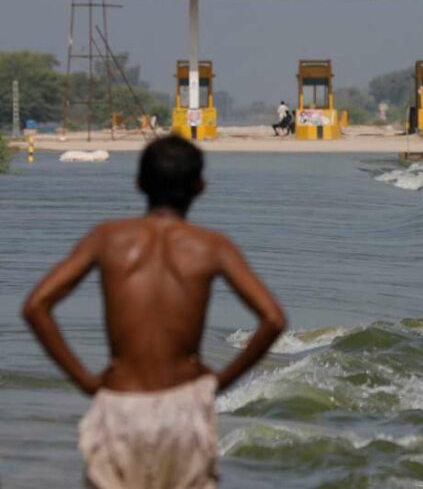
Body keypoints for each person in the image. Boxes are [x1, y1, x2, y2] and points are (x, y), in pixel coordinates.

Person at [22, 135, 286, 489]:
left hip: (120, 402)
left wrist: (84, 380)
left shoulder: (107, 238)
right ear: (200, 187)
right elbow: (273, 319)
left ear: (139, 184)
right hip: (185, 404)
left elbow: (37, 305)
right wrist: (219, 382)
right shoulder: (212, 247)